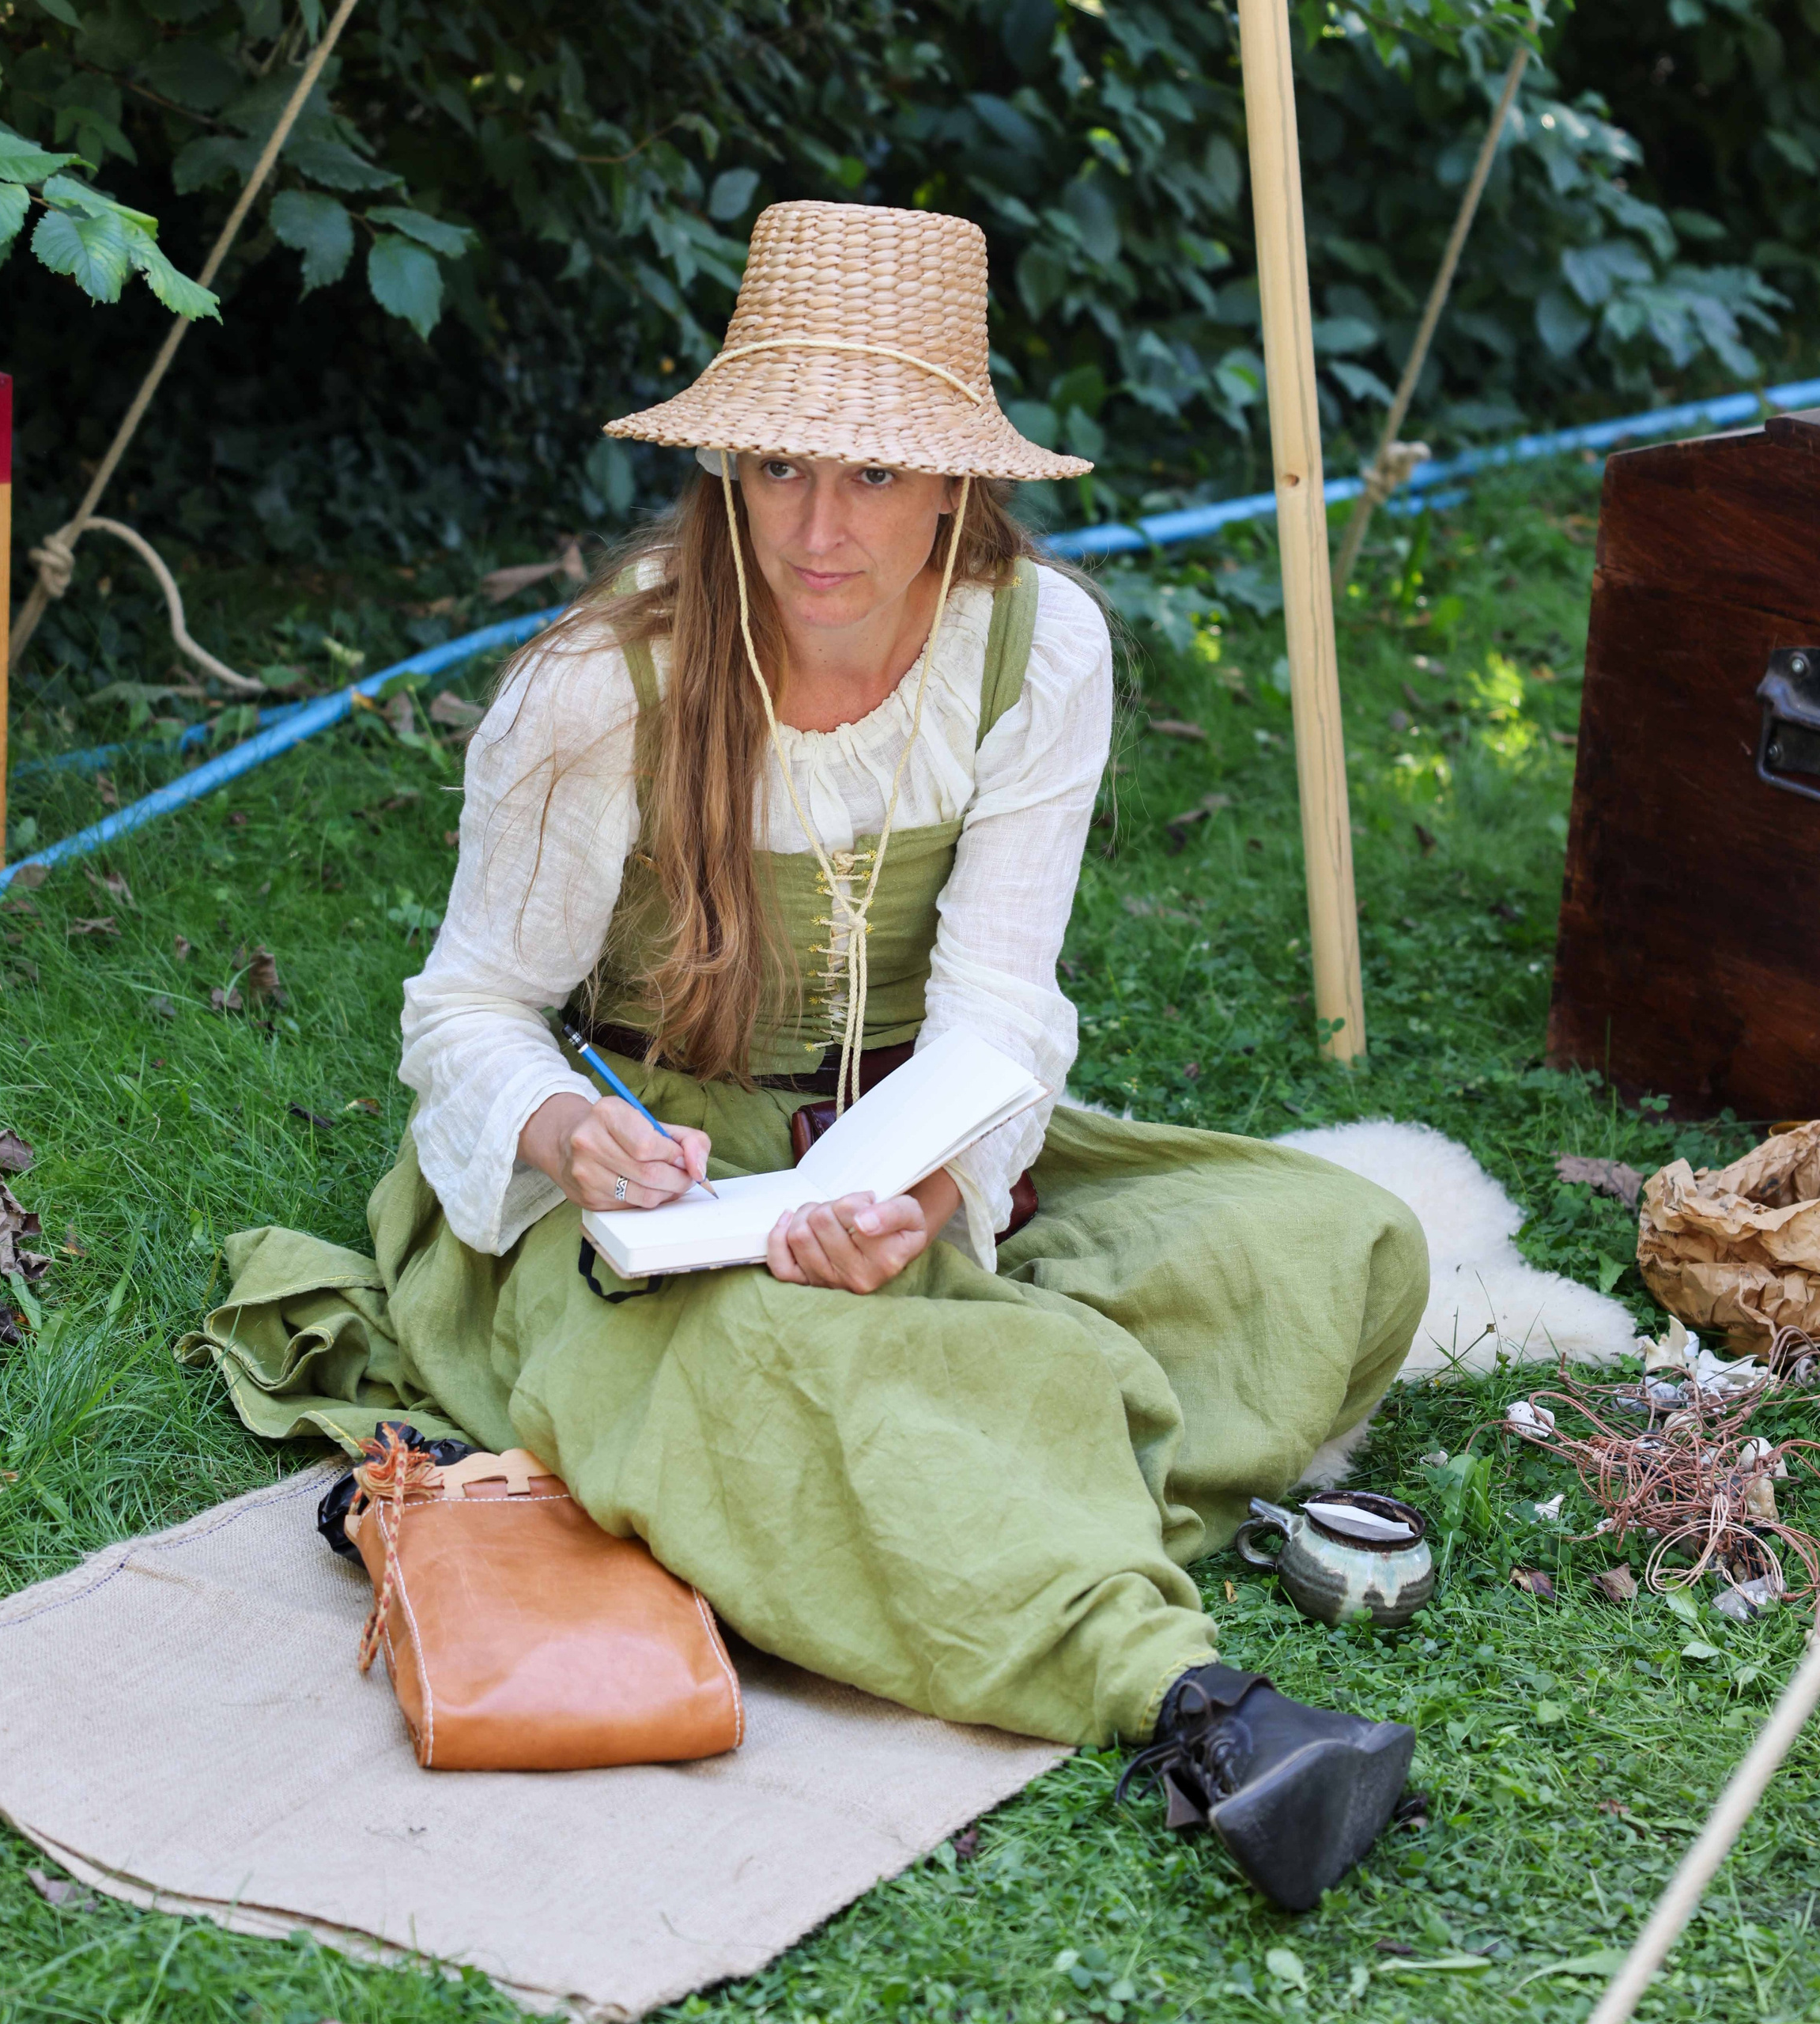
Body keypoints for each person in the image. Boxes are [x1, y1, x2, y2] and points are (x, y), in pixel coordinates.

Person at [182, 200, 1429, 1913]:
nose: (817, 528)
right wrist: (565, 1133)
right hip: (650, 1180)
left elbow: (998, 1008)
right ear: (727, 469)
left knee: (1336, 1244)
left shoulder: (1035, 647)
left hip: (903, 1153)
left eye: (870, 475)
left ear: (954, 484)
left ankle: (887, 1495)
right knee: (774, 1361)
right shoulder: (599, 688)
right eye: (775, 468)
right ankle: (1187, 1699)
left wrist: (922, 1197)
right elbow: (467, 1006)